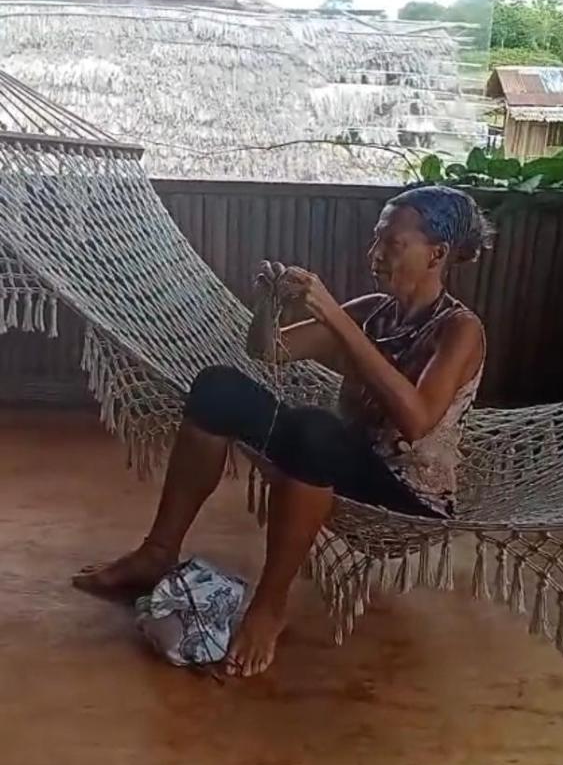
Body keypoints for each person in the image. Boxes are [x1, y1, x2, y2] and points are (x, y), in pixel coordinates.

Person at [74, 186, 490, 677]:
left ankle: (270, 606)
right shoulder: (373, 311)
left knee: (314, 429)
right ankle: (157, 553)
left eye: (392, 243)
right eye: (376, 239)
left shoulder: (460, 329)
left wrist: (335, 317)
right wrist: (268, 304)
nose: (375, 254)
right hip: (339, 459)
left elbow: (418, 421)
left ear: (436, 254)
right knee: (218, 389)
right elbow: (269, 350)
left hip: (406, 491)